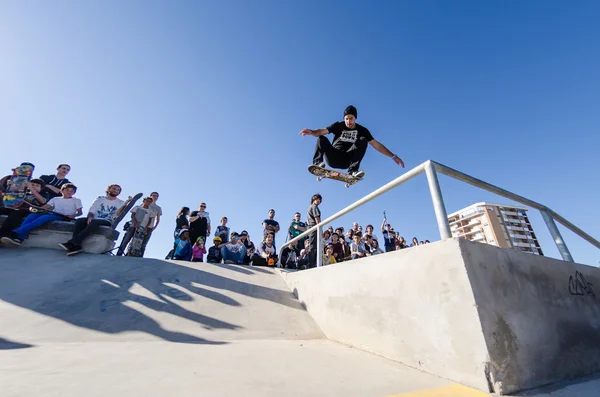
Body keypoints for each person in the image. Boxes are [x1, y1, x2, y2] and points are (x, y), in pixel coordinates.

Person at [300, 105, 405, 178]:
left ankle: (353, 171)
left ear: (355, 118)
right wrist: (311, 132)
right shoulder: (338, 125)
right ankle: (318, 164)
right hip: (333, 157)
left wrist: (393, 156)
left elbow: (376, 145)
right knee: (321, 138)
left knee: (363, 140)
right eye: (346, 119)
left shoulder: (362, 130)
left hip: (348, 160)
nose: (348, 122)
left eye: (351, 118)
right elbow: (321, 131)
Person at [1, 183, 83, 246]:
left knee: (45, 218)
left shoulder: (76, 200)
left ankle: (15, 233)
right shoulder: (55, 199)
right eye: (67, 190)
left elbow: (80, 212)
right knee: (32, 216)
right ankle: (19, 238)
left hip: (64, 217)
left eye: (72, 191)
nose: (69, 192)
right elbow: (45, 207)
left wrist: (73, 215)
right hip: (54, 214)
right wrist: (36, 209)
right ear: (62, 191)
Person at [59, 184, 124, 256]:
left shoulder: (121, 203)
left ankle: (72, 243)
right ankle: (77, 246)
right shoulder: (100, 199)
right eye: (114, 189)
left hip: (107, 221)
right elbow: (91, 211)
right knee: (80, 221)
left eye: (118, 190)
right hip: (94, 218)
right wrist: (90, 217)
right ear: (108, 190)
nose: (115, 191)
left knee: (94, 222)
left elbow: (118, 214)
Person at [306, 193, 322, 268]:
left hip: (311, 227)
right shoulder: (314, 207)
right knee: (313, 246)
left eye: (319, 200)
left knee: (313, 245)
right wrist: (320, 228)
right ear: (313, 199)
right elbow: (317, 218)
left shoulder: (310, 207)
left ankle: (312, 263)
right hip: (314, 227)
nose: (318, 201)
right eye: (317, 199)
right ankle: (311, 263)